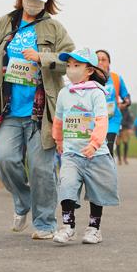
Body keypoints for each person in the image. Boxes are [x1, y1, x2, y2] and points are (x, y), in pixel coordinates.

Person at [0, 0, 74, 239]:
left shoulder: (55, 28)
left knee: (42, 168)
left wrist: (43, 57)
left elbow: (70, 61)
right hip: (8, 109)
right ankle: (23, 202)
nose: (33, 3)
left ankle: (44, 224)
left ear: (47, 0)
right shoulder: (2, 24)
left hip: (42, 112)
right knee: (3, 158)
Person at [52, 48, 119, 244]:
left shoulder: (97, 93)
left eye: (77, 66)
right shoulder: (64, 93)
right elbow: (58, 119)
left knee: (97, 191)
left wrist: (95, 143)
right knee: (67, 186)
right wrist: (59, 140)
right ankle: (67, 226)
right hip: (72, 154)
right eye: (69, 66)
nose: (71, 70)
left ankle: (93, 228)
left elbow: (102, 120)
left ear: (89, 70)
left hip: (95, 154)